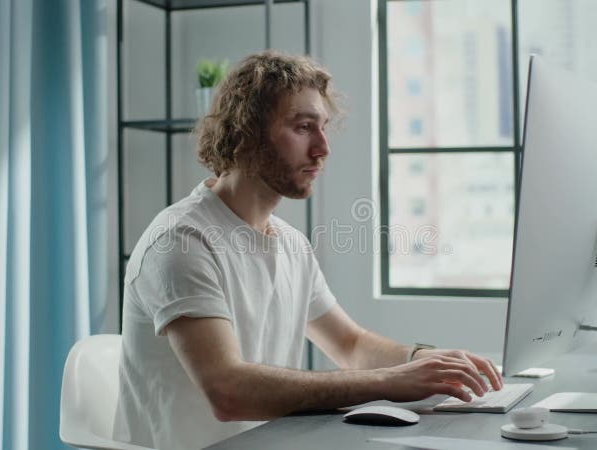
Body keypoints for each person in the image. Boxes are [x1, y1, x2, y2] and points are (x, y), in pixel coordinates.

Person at [114, 51, 503, 450]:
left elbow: (349, 345)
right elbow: (228, 391)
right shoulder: (180, 241)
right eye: (303, 127)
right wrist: (388, 383)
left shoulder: (289, 243)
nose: (322, 148)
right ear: (247, 131)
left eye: (323, 128)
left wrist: (426, 360)